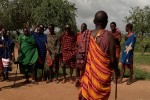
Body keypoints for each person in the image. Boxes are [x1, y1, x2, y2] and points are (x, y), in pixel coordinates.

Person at [79, 11, 120, 100]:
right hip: (102, 77)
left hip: (88, 73)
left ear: (94, 21)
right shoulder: (109, 36)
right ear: (106, 22)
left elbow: (81, 56)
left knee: (87, 94)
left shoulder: (86, 35)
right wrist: (117, 70)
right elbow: (113, 60)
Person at [75, 23, 90, 87]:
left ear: (86, 28)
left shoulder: (88, 35)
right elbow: (76, 43)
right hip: (79, 53)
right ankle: (78, 80)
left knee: (84, 67)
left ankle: (83, 80)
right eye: (81, 27)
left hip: (85, 53)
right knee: (78, 67)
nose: (82, 28)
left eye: (83, 27)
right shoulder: (78, 34)